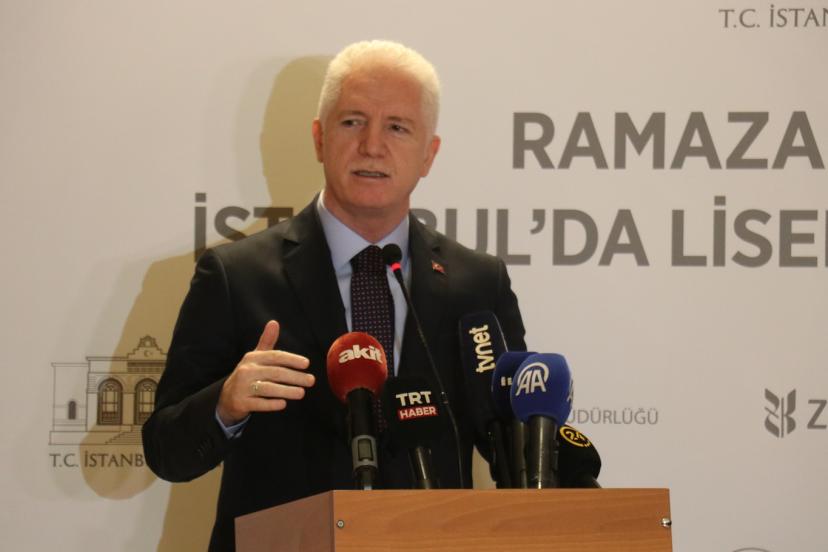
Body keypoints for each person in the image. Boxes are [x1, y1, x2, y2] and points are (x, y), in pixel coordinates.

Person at [142, 40, 526, 551]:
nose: (372, 145)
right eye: (352, 122)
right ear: (320, 138)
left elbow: (515, 450)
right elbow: (166, 449)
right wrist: (225, 405)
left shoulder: (477, 284)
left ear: (429, 154)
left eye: (397, 127)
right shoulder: (236, 276)